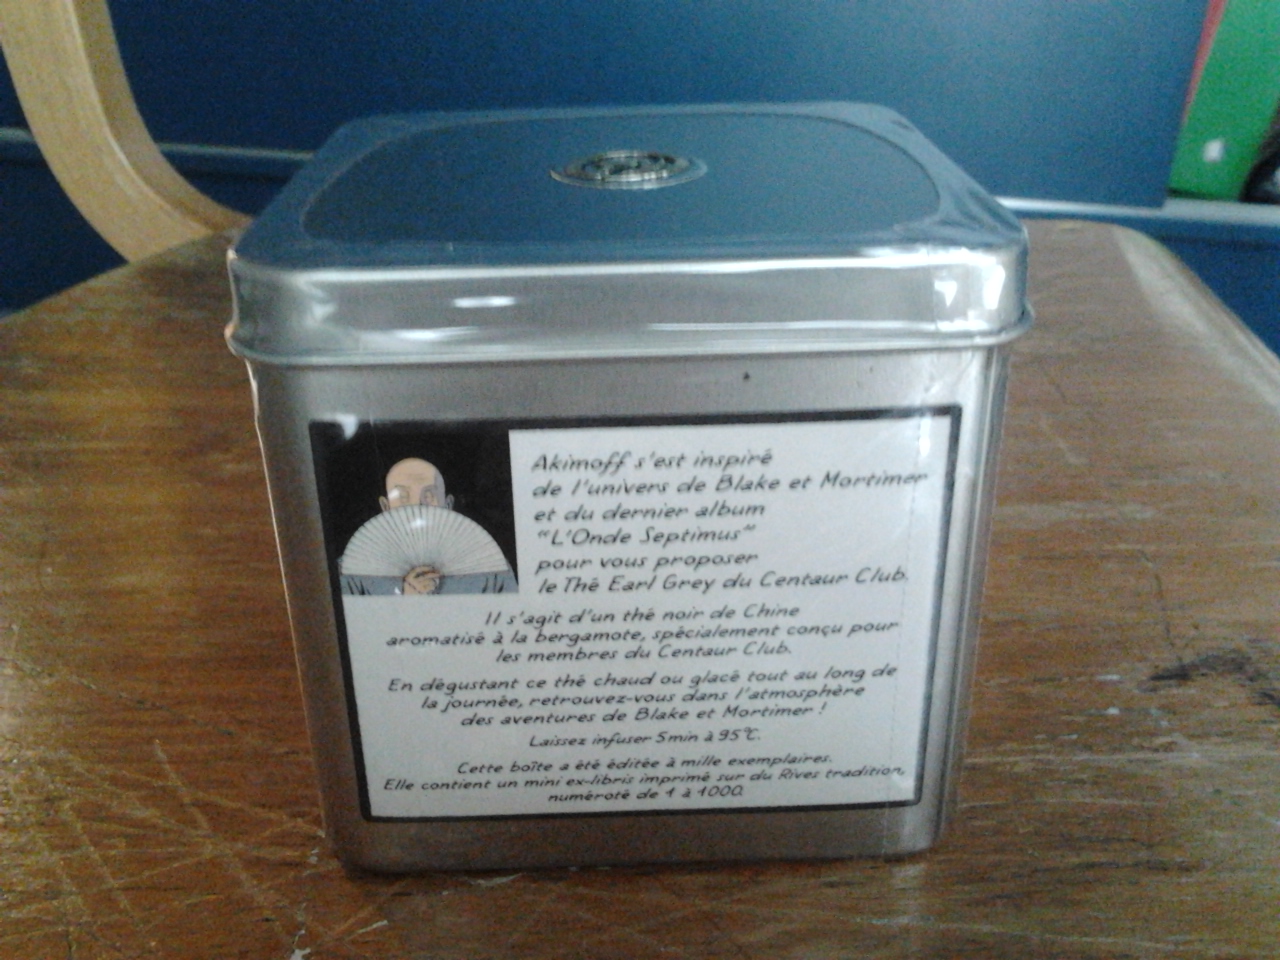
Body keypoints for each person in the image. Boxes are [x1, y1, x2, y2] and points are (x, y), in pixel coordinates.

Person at [339, 458, 517, 595]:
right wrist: (404, 601)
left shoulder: (490, 565)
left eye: (429, 495)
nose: (417, 505)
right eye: (402, 496)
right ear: (386, 507)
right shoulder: (352, 569)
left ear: (448, 505)